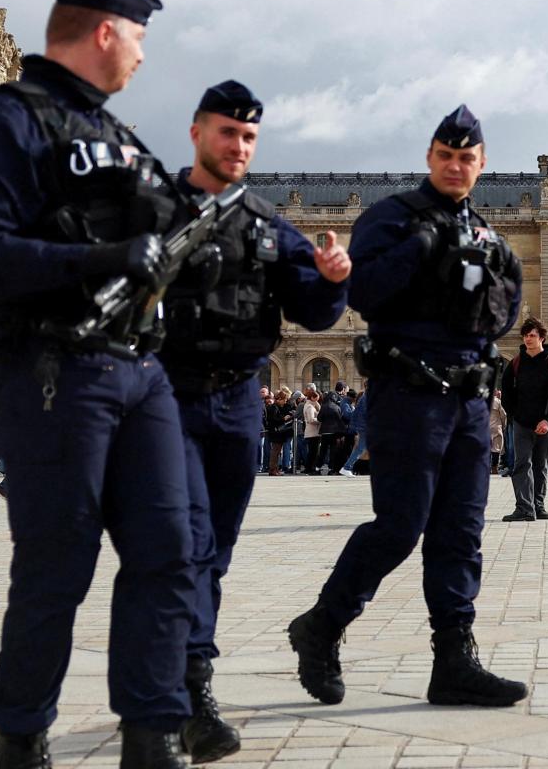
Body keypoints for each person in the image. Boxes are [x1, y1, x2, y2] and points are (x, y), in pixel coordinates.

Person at [0, 0, 196, 766]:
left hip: (138, 370)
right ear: (105, 31)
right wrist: (103, 257)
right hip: (55, 366)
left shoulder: (121, 136)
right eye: (140, 40)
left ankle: (152, 730)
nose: (144, 59)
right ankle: (22, 733)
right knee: (58, 560)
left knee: (170, 548)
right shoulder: (8, 119)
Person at [286, 105, 526, 710]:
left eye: (466, 157)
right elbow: (361, 293)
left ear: (481, 164)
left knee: (461, 533)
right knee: (399, 526)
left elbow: (504, 315)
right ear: (430, 157)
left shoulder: (490, 239)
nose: (455, 165)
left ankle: (454, 660)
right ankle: (323, 625)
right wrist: (420, 252)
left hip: (469, 401)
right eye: (445, 155)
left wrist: (475, 272)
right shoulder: (390, 219)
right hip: (409, 393)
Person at [156, 79, 350, 762]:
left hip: (239, 399)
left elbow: (317, 313)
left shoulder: (268, 224)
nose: (237, 146)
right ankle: (189, 691)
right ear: (196, 133)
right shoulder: (154, 210)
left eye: (247, 137)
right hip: (166, 396)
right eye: (225, 132)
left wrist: (331, 277)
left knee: (215, 549)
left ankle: (182, 683)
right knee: (187, 543)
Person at [499, 318, 548, 520]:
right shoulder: (516, 363)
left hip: (545, 423)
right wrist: (515, 416)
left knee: (541, 465)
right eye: (525, 335)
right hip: (522, 423)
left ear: (542, 337)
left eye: (532, 335)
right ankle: (525, 508)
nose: (528, 339)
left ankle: (538, 505)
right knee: (521, 464)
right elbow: (506, 392)